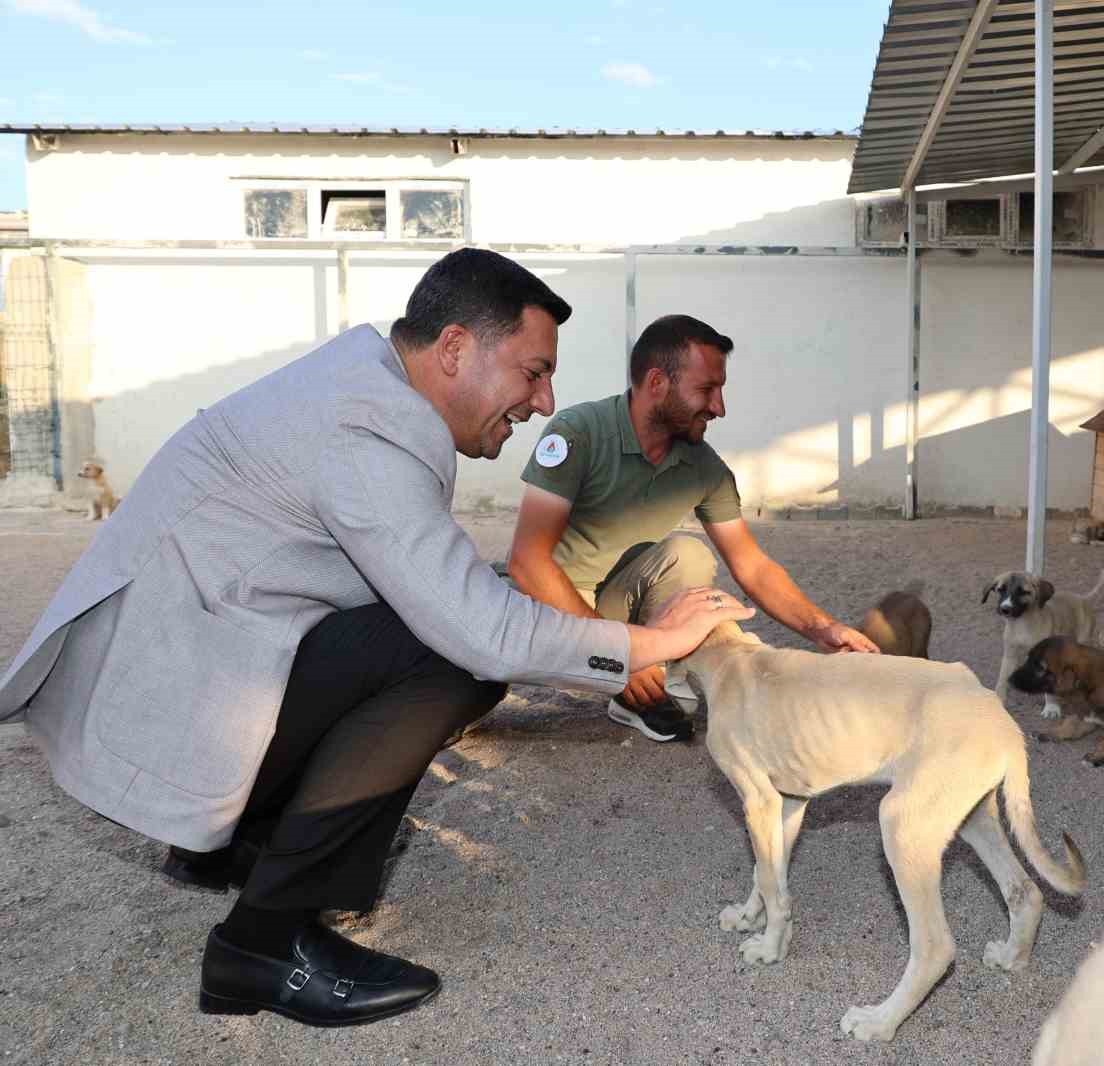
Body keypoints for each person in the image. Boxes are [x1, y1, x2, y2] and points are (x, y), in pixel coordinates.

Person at [0, 249, 752, 1027]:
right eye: (532, 372)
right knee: (450, 654)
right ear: (456, 348)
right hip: (167, 712)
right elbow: (479, 631)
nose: (543, 400)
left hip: (188, 675)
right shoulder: (366, 426)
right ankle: (259, 945)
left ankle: (228, 845)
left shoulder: (367, 387)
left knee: (430, 625)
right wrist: (648, 643)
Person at [505, 313, 877, 744]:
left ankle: (638, 694)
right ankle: (625, 667)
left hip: (610, 608)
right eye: (707, 390)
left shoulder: (704, 466)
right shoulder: (578, 434)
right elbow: (527, 562)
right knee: (469, 681)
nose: (719, 407)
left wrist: (824, 629)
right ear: (658, 383)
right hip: (549, 607)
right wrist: (611, 653)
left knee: (690, 554)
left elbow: (753, 567)